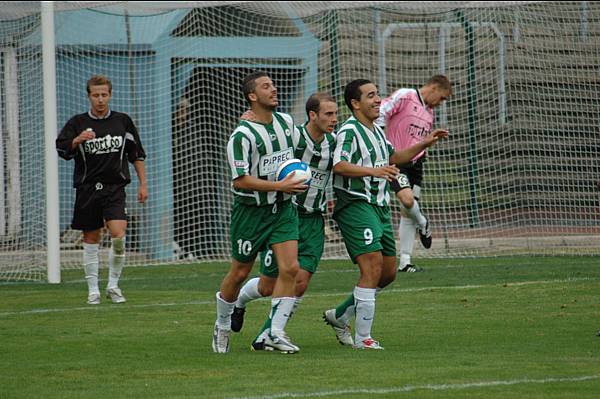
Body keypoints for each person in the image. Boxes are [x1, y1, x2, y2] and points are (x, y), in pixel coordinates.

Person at [322, 79, 447, 350]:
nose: (378, 99)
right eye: (371, 96)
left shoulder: (378, 132)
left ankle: (340, 315)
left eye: (378, 94)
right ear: (355, 103)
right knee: (372, 267)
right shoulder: (350, 131)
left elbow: (396, 157)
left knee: (388, 273)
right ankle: (363, 338)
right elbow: (340, 165)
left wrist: (424, 142)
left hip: (378, 207)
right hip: (355, 204)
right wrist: (374, 171)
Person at [228, 93, 339, 351]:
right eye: (328, 114)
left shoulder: (333, 143)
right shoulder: (295, 135)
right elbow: (267, 135)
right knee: (267, 285)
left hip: (313, 220)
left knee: (299, 280)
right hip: (286, 213)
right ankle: (239, 303)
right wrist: (250, 119)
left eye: (336, 114)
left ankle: (270, 333)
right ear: (313, 115)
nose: (334, 119)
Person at [212, 71, 308, 354]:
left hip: (281, 209)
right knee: (240, 272)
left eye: (273, 85)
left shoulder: (287, 122)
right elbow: (240, 180)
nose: (274, 89)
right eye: (266, 87)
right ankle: (222, 325)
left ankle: (274, 333)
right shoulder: (241, 136)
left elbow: (295, 155)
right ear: (252, 96)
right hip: (250, 213)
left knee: (290, 268)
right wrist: (280, 184)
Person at [56, 75, 147, 305]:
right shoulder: (77, 122)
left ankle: (114, 286)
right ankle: (93, 290)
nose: (100, 99)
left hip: (115, 188)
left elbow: (135, 154)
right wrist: (78, 140)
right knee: (91, 238)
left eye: (104, 95)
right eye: (95, 95)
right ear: (89, 96)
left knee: (118, 234)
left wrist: (143, 184)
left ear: (110, 95)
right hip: (87, 189)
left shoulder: (122, 121)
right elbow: (62, 148)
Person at [376, 75, 452, 272]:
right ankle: (424, 222)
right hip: (397, 160)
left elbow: (417, 139)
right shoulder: (406, 95)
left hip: (416, 163)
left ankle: (405, 261)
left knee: (406, 211)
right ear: (434, 87)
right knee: (408, 201)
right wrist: (383, 143)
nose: (440, 103)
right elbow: (381, 112)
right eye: (442, 98)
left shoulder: (429, 114)